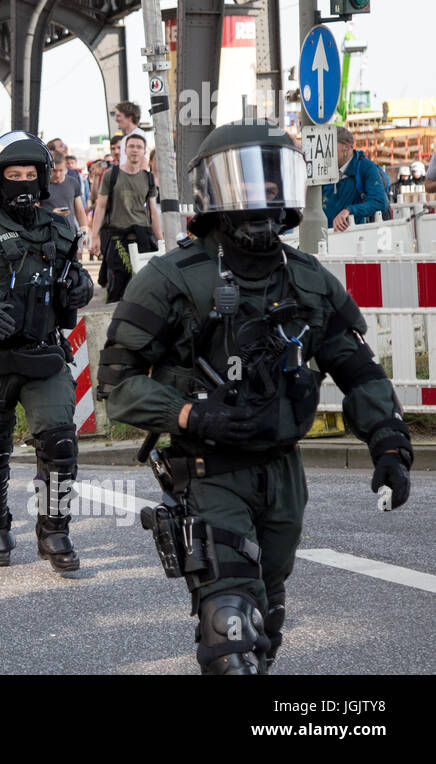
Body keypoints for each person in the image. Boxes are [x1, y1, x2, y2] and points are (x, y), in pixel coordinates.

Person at [98, 121, 414, 674]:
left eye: (271, 184)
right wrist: (191, 413)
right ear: (211, 194)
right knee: (230, 629)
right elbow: (118, 385)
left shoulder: (308, 280)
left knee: (264, 631)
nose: (259, 198)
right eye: (243, 183)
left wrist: (389, 445)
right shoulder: (171, 280)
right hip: (207, 468)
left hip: (282, 474)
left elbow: (357, 367)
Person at [0, 133, 94, 572]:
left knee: (60, 441)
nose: (25, 183)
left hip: (42, 355)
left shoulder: (60, 228)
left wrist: (80, 288)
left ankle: (55, 529)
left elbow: (78, 284)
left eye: (32, 175)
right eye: (14, 176)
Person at [89, 131, 162, 302]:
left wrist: (160, 241)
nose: (135, 150)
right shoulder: (111, 175)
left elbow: (153, 212)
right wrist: (94, 236)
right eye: (131, 146)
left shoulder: (148, 178)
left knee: (143, 284)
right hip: (117, 238)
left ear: (144, 151)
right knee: (117, 287)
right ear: (125, 150)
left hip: (142, 236)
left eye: (139, 147)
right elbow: (100, 206)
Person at [323, 126, 390, 230]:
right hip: (326, 237)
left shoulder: (366, 168)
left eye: (331, 148)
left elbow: (379, 201)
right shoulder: (324, 169)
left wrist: (349, 210)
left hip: (355, 237)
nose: (326, 153)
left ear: (346, 148)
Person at [46, 155, 90, 237]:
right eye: (54, 171)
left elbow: (80, 211)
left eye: (61, 170)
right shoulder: (43, 185)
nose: (58, 174)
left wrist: (84, 231)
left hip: (69, 232)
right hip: (48, 232)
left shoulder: (73, 182)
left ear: (65, 168)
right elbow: (35, 211)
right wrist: (51, 213)